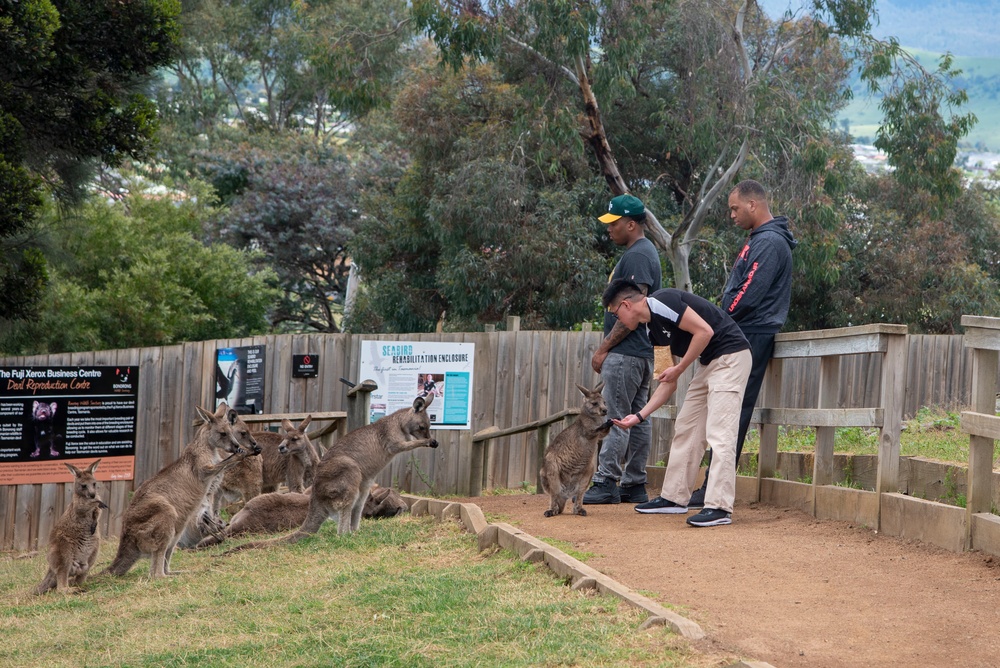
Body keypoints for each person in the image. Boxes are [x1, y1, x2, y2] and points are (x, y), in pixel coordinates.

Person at [604, 278, 751, 527]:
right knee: (686, 427)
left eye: (615, 313)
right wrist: (638, 416)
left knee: (720, 432)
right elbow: (667, 381)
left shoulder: (664, 301)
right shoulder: (652, 330)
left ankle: (719, 506)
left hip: (731, 357)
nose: (618, 321)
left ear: (627, 305)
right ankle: (673, 498)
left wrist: (681, 367)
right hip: (708, 364)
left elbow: (705, 331)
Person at [688, 179, 797, 508]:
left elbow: (749, 294)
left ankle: (715, 494)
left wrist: (720, 319)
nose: (731, 215)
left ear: (753, 205)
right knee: (719, 411)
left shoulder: (770, 243)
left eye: (735, 208)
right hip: (741, 331)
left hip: (751, 333)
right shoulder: (760, 239)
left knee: (731, 413)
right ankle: (707, 486)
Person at [584, 194, 662, 505]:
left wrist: (603, 348)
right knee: (637, 417)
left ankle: (606, 481)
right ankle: (634, 483)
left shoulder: (638, 256)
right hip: (639, 354)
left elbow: (632, 311)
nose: (609, 229)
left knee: (614, 416)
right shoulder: (641, 252)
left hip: (628, 353)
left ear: (631, 224)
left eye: (614, 223)